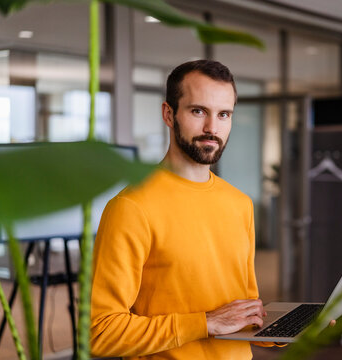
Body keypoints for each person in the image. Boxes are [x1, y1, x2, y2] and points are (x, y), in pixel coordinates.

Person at [90, 60, 269, 359]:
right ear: (169, 114)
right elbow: (100, 332)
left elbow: (243, 312)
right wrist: (205, 323)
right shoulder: (131, 207)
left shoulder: (240, 204)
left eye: (223, 114)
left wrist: (284, 332)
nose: (212, 128)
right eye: (198, 111)